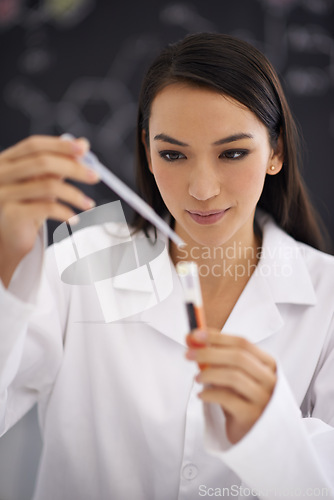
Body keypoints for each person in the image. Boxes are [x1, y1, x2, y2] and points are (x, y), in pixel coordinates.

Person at [0, 32, 333, 500]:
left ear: (275, 152)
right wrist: (5, 264)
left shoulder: (328, 298)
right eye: (173, 154)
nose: (201, 188)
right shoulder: (76, 266)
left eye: (233, 153)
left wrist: (272, 431)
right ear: (148, 152)